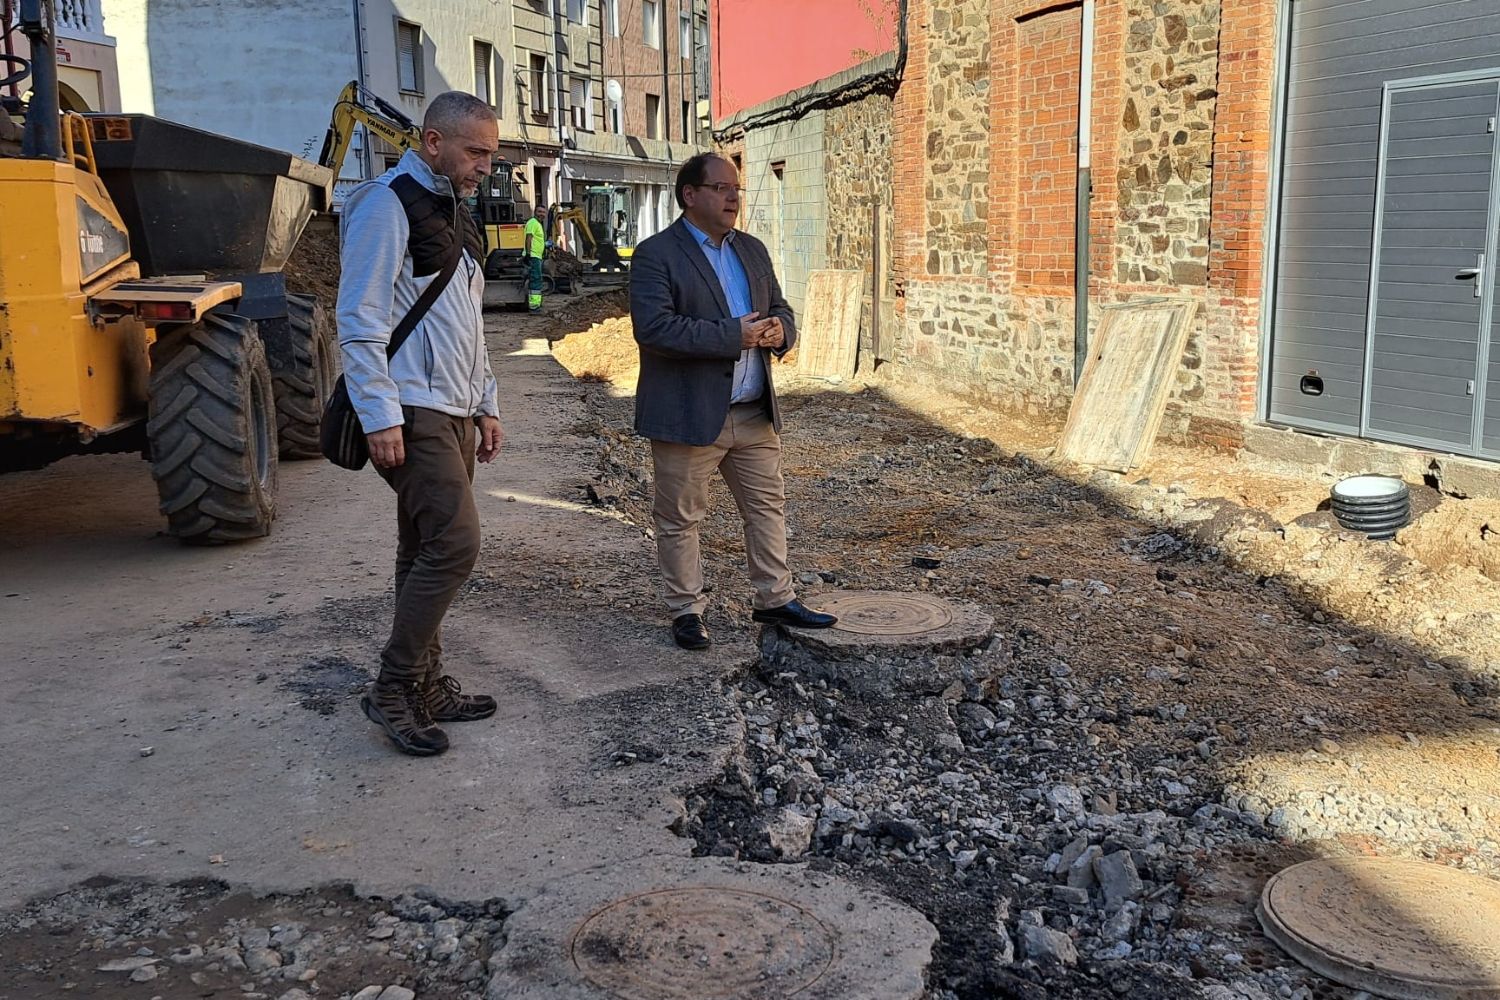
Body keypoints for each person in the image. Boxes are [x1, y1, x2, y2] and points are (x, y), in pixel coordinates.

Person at [337, 91, 505, 756]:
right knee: (456, 545)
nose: (485, 166)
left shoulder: (454, 211)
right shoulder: (385, 204)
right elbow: (360, 316)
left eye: (491, 154)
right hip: (410, 409)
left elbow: (468, 322)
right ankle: (393, 686)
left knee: (421, 547)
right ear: (433, 142)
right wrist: (378, 414)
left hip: (452, 409)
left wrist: (485, 402)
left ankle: (427, 685)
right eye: (476, 152)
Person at [629, 153, 837, 650]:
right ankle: (686, 610)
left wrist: (779, 330)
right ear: (690, 195)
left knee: (768, 508)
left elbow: (781, 308)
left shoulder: (752, 249)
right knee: (681, 517)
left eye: (737, 189)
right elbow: (653, 329)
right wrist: (734, 336)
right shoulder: (656, 254)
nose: (733, 198)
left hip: (751, 409)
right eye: (722, 188)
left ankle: (774, 598)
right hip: (687, 412)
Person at [524, 205, 547, 313]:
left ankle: (535, 304)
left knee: (536, 280)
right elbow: (529, 238)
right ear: (535, 212)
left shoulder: (537, 224)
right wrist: (528, 254)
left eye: (543, 212)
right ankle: (534, 307)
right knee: (536, 280)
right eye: (539, 212)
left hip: (536, 256)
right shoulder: (533, 223)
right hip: (533, 256)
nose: (541, 214)